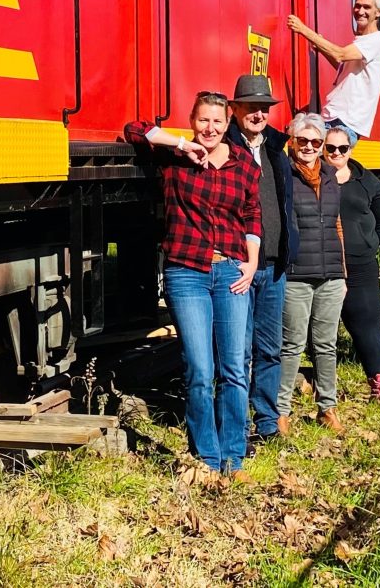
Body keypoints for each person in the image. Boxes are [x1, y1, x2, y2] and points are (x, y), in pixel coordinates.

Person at [124, 92, 261, 480]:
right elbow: (134, 129)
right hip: (187, 272)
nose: (211, 129)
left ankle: (233, 457)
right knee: (200, 368)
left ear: (227, 121)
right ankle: (207, 457)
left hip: (232, 271)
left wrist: (251, 262)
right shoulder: (175, 158)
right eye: (203, 121)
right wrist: (180, 144)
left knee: (234, 367)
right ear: (192, 120)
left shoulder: (243, 163)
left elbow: (252, 214)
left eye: (218, 121)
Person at [225, 74, 299, 445]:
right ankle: (236, 426)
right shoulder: (221, 148)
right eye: (250, 106)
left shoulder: (276, 150)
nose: (258, 113)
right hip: (237, 265)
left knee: (269, 347)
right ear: (234, 109)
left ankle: (267, 420)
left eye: (263, 108)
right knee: (237, 351)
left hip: (273, 266)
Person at [276, 113, 347, 436]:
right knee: (292, 344)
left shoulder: (331, 177)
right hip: (296, 274)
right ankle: (281, 410)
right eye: (302, 140)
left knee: (326, 344)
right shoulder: (283, 173)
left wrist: (342, 273)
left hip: (330, 273)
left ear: (322, 146)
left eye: (315, 142)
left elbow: (336, 224)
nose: (308, 146)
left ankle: (327, 407)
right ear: (292, 142)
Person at [323, 126, 380, 403]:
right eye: (330, 148)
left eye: (342, 148)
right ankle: (322, 389)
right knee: (317, 330)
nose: (336, 153)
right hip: (322, 263)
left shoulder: (367, 182)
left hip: (361, 264)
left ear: (350, 150)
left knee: (367, 323)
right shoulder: (311, 178)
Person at [286, 0, 380, 142]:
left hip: (345, 121)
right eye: (357, 5)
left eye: (367, 7)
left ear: (379, 12)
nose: (360, 11)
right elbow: (343, 67)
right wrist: (320, 46)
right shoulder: (362, 42)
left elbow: (339, 54)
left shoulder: (376, 41)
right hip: (333, 116)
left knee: (323, 161)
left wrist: (303, 29)